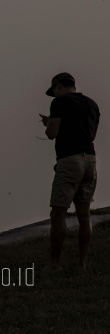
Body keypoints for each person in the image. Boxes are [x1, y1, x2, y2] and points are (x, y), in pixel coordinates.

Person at [40, 72, 100, 271]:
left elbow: (52, 134)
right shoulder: (92, 105)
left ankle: (54, 264)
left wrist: (48, 124)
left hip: (69, 161)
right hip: (90, 160)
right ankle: (81, 264)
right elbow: (90, 135)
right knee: (84, 214)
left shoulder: (59, 102)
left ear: (58, 86)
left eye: (54, 91)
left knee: (58, 212)